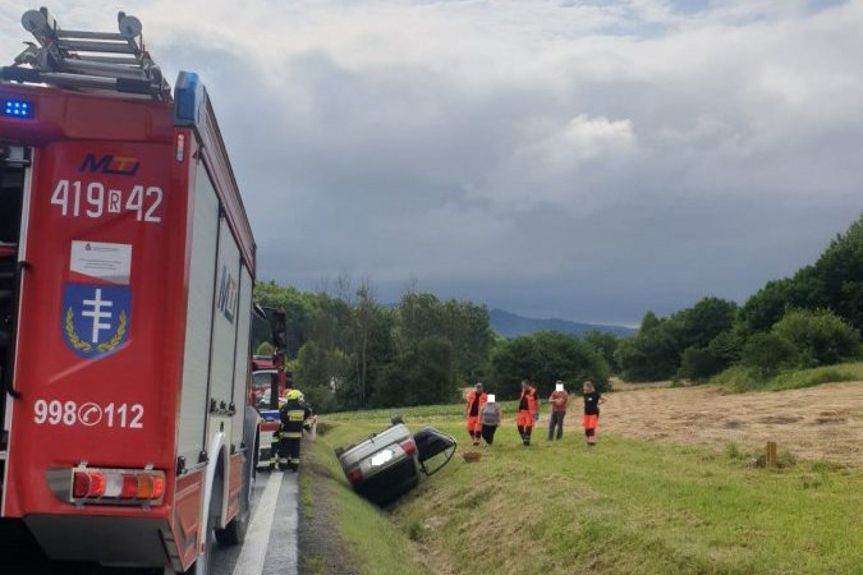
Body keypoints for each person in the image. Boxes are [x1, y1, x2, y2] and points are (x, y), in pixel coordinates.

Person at [278, 389, 313, 471]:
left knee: (285, 451)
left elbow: (282, 418)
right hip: (297, 434)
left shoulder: (285, 407)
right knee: (295, 452)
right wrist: (301, 419)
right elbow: (308, 412)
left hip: (287, 434)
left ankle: (283, 466)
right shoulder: (303, 408)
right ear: (297, 398)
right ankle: (294, 467)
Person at [582, 381, 605, 447]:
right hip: (586, 413)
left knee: (591, 428)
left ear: (589, 387)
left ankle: (591, 443)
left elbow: (605, 399)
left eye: (585, 386)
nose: (584, 387)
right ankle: (588, 441)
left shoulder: (595, 394)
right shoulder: (585, 394)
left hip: (594, 413)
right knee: (586, 428)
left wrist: (598, 404)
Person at [464, 382, 488, 446]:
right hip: (471, 414)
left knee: (478, 428)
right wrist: (465, 411)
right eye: (477, 388)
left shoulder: (485, 396)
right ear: (475, 388)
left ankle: (477, 440)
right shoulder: (471, 394)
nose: (478, 389)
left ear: (482, 388)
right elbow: (468, 403)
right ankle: (475, 439)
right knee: (469, 428)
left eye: (480, 387)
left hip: (480, 415)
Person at [516, 380, 538, 446]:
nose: (523, 387)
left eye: (524, 385)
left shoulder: (533, 392)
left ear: (528, 385)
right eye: (522, 386)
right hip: (521, 412)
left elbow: (536, 403)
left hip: (529, 412)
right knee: (519, 426)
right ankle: (524, 438)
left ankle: (526, 442)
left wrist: (537, 413)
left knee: (528, 427)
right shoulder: (523, 391)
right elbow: (521, 400)